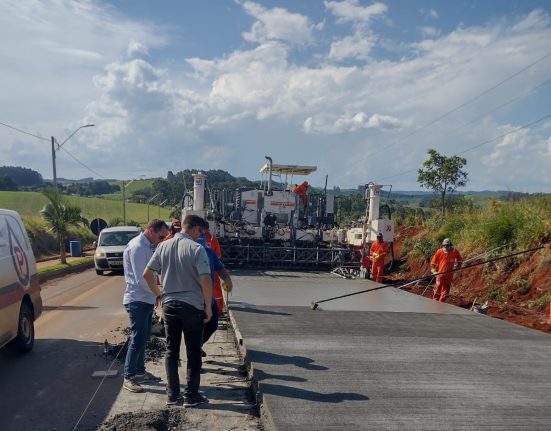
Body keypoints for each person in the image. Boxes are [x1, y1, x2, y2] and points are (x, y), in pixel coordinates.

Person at [143, 214, 212, 407]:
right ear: (195, 229)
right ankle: (191, 395)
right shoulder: (196, 249)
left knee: (171, 350)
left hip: (170, 305)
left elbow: (147, 274)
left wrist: (159, 295)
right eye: (201, 233)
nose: (201, 237)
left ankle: (172, 395)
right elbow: (206, 280)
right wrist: (208, 307)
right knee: (193, 351)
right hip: (192, 306)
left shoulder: (163, 246)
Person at [122, 219, 169, 393]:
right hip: (137, 300)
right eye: (161, 236)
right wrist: (158, 294)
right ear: (150, 231)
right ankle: (128, 376)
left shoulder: (147, 246)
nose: (162, 240)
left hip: (146, 299)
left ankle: (140, 372)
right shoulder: (138, 248)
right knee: (137, 338)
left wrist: (155, 295)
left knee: (144, 338)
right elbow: (142, 279)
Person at [197, 232, 233, 357]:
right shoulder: (186, 251)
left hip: (208, 298)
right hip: (192, 298)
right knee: (196, 329)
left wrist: (227, 280)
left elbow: (220, 268)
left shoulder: (209, 252)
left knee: (212, 325)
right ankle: (195, 361)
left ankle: (197, 345)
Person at [430, 238, 463, 302]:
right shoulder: (439, 251)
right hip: (440, 274)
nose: (445, 246)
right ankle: (434, 303)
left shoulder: (454, 251)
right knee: (437, 290)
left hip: (449, 275)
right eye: (444, 245)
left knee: (445, 292)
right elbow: (432, 263)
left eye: (447, 245)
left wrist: (458, 266)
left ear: (450, 245)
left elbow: (460, 260)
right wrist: (434, 271)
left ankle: (441, 305)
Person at [204, 223, 224, 313]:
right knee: (216, 288)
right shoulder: (213, 239)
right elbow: (218, 255)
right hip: (212, 268)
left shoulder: (194, 238)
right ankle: (218, 309)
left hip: (198, 270)